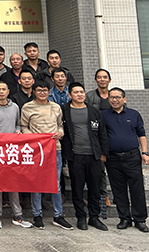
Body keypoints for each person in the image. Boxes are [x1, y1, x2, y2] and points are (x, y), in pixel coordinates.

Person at [20, 81, 72, 231]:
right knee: (36, 183)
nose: (42, 93)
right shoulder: (27, 107)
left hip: (55, 149)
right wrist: (34, 138)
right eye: (39, 90)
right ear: (34, 91)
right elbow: (24, 127)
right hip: (36, 150)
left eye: (45, 90)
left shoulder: (56, 107)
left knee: (55, 183)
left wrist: (60, 133)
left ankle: (58, 215)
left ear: (49, 91)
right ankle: (37, 215)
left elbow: (60, 125)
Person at [0, 81, 32, 229]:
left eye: (4, 89)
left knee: (13, 183)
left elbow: (18, 124)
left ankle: (18, 214)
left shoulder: (15, 107)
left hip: (12, 151)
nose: (1, 92)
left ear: (8, 91)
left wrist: (17, 131)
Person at [61, 82, 109, 231]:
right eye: (76, 92)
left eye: (81, 92)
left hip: (93, 155)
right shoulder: (64, 110)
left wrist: (103, 153)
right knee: (77, 188)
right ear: (70, 95)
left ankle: (94, 217)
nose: (79, 94)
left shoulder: (94, 111)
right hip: (75, 155)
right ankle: (81, 217)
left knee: (95, 188)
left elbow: (102, 133)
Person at [102, 87, 149, 232]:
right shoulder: (103, 115)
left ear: (124, 99)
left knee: (137, 189)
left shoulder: (134, 114)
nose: (114, 100)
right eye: (112, 97)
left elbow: (141, 134)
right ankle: (124, 218)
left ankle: (140, 219)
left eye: (117, 97)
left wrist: (145, 152)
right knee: (118, 189)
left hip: (132, 156)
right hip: (113, 158)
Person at [85, 68, 112, 215]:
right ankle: (103, 194)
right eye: (99, 77)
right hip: (96, 137)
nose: (102, 80)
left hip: (112, 135)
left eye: (105, 77)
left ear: (109, 80)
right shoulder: (90, 96)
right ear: (95, 80)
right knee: (100, 168)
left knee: (114, 168)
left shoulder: (114, 95)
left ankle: (118, 195)